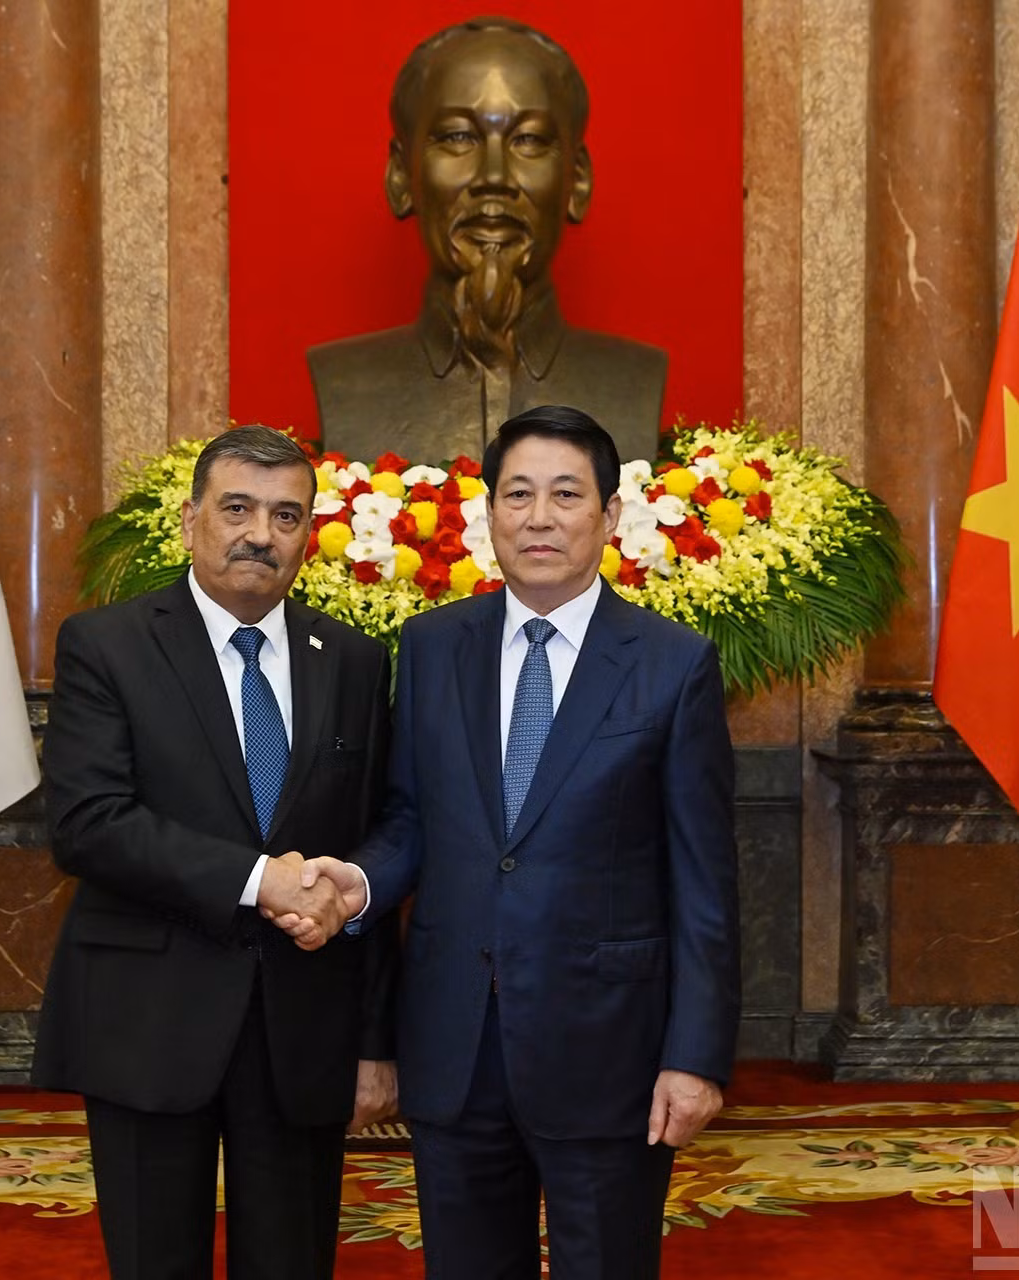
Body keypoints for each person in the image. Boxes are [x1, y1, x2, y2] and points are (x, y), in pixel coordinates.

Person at [278, 405, 738, 1279]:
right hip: (456, 1045)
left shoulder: (671, 664)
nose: (539, 516)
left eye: (566, 494)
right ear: (488, 514)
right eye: (517, 493)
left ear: (609, 516)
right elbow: (412, 819)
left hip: (610, 1051)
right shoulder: (431, 646)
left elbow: (705, 880)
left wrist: (696, 1056)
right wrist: (357, 886)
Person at [33, 425, 397, 1279]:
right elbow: (87, 821)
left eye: (285, 516)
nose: (259, 534)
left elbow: (371, 850)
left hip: (303, 1027)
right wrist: (256, 879)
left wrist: (376, 1041)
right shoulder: (107, 645)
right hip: (148, 1021)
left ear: (309, 536)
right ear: (192, 518)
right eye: (237, 508)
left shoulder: (352, 660)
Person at [308, 18, 666, 466]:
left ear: (576, 180)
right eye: (458, 137)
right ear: (401, 176)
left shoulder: (636, 379)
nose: (494, 177)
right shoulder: (345, 380)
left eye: (529, 140)